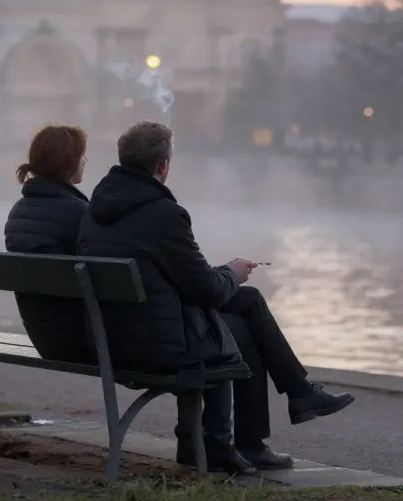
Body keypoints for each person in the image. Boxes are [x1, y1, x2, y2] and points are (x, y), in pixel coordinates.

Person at [78, 121, 354, 475]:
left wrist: (221, 276)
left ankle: (294, 398)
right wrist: (232, 272)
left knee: (247, 304)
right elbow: (205, 289)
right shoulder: (164, 214)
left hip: (112, 335)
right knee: (238, 322)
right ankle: (261, 426)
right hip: (156, 345)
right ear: (163, 166)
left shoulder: (95, 212)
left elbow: (179, 279)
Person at [3, 124, 91, 363]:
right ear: (68, 162)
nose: (85, 161)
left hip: (42, 337)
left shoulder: (17, 212)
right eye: (82, 155)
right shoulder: (81, 214)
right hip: (80, 340)